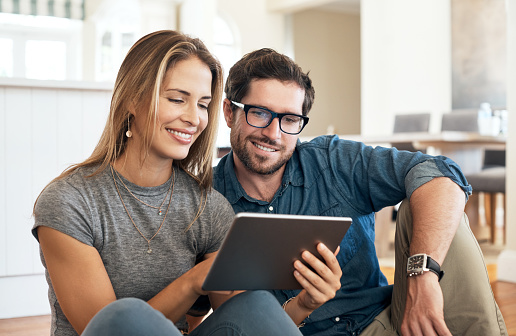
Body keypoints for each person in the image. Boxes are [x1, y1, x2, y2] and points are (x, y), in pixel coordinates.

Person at [213, 48, 508, 335]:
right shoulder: (207, 201)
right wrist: (304, 304)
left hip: (384, 323)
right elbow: (237, 320)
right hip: (295, 329)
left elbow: (441, 174)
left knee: (434, 203)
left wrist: (423, 274)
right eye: (260, 113)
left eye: (289, 120)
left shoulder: (333, 160)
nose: (273, 133)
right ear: (229, 112)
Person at [32, 31, 304, 336]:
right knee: (125, 313)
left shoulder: (209, 207)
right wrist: (193, 281)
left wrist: (304, 304)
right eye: (177, 99)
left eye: (203, 104)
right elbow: (105, 327)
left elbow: (246, 319)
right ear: (133, 99)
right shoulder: (69, 201)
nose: (194, 118)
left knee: (256, 304)